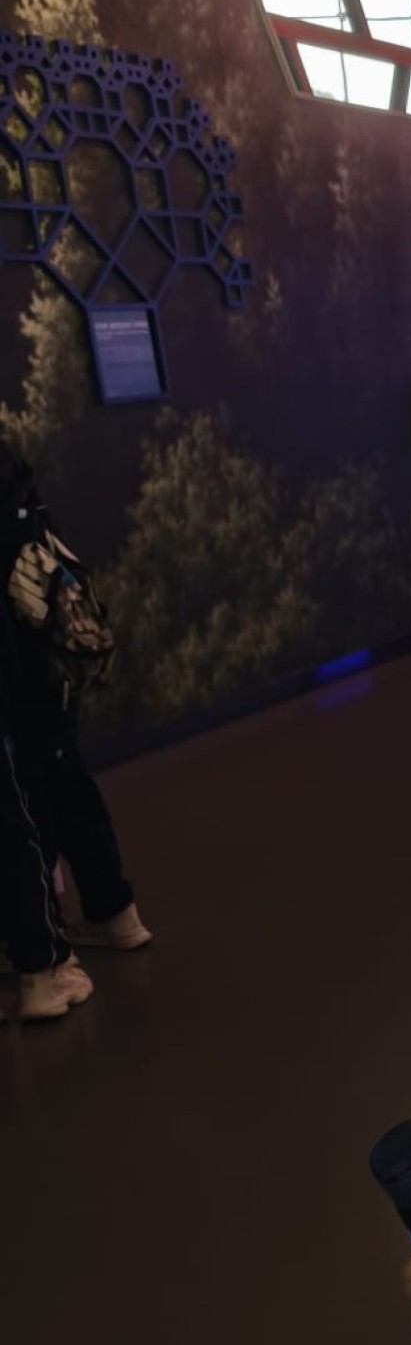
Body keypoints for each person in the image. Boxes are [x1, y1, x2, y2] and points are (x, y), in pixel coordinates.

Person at [0, 439, 149, 1025]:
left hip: (19, 680)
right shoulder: (18, 484)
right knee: (65, 789)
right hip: (47, 669)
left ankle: (45, 960)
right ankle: (114, 915)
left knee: (24, 811)